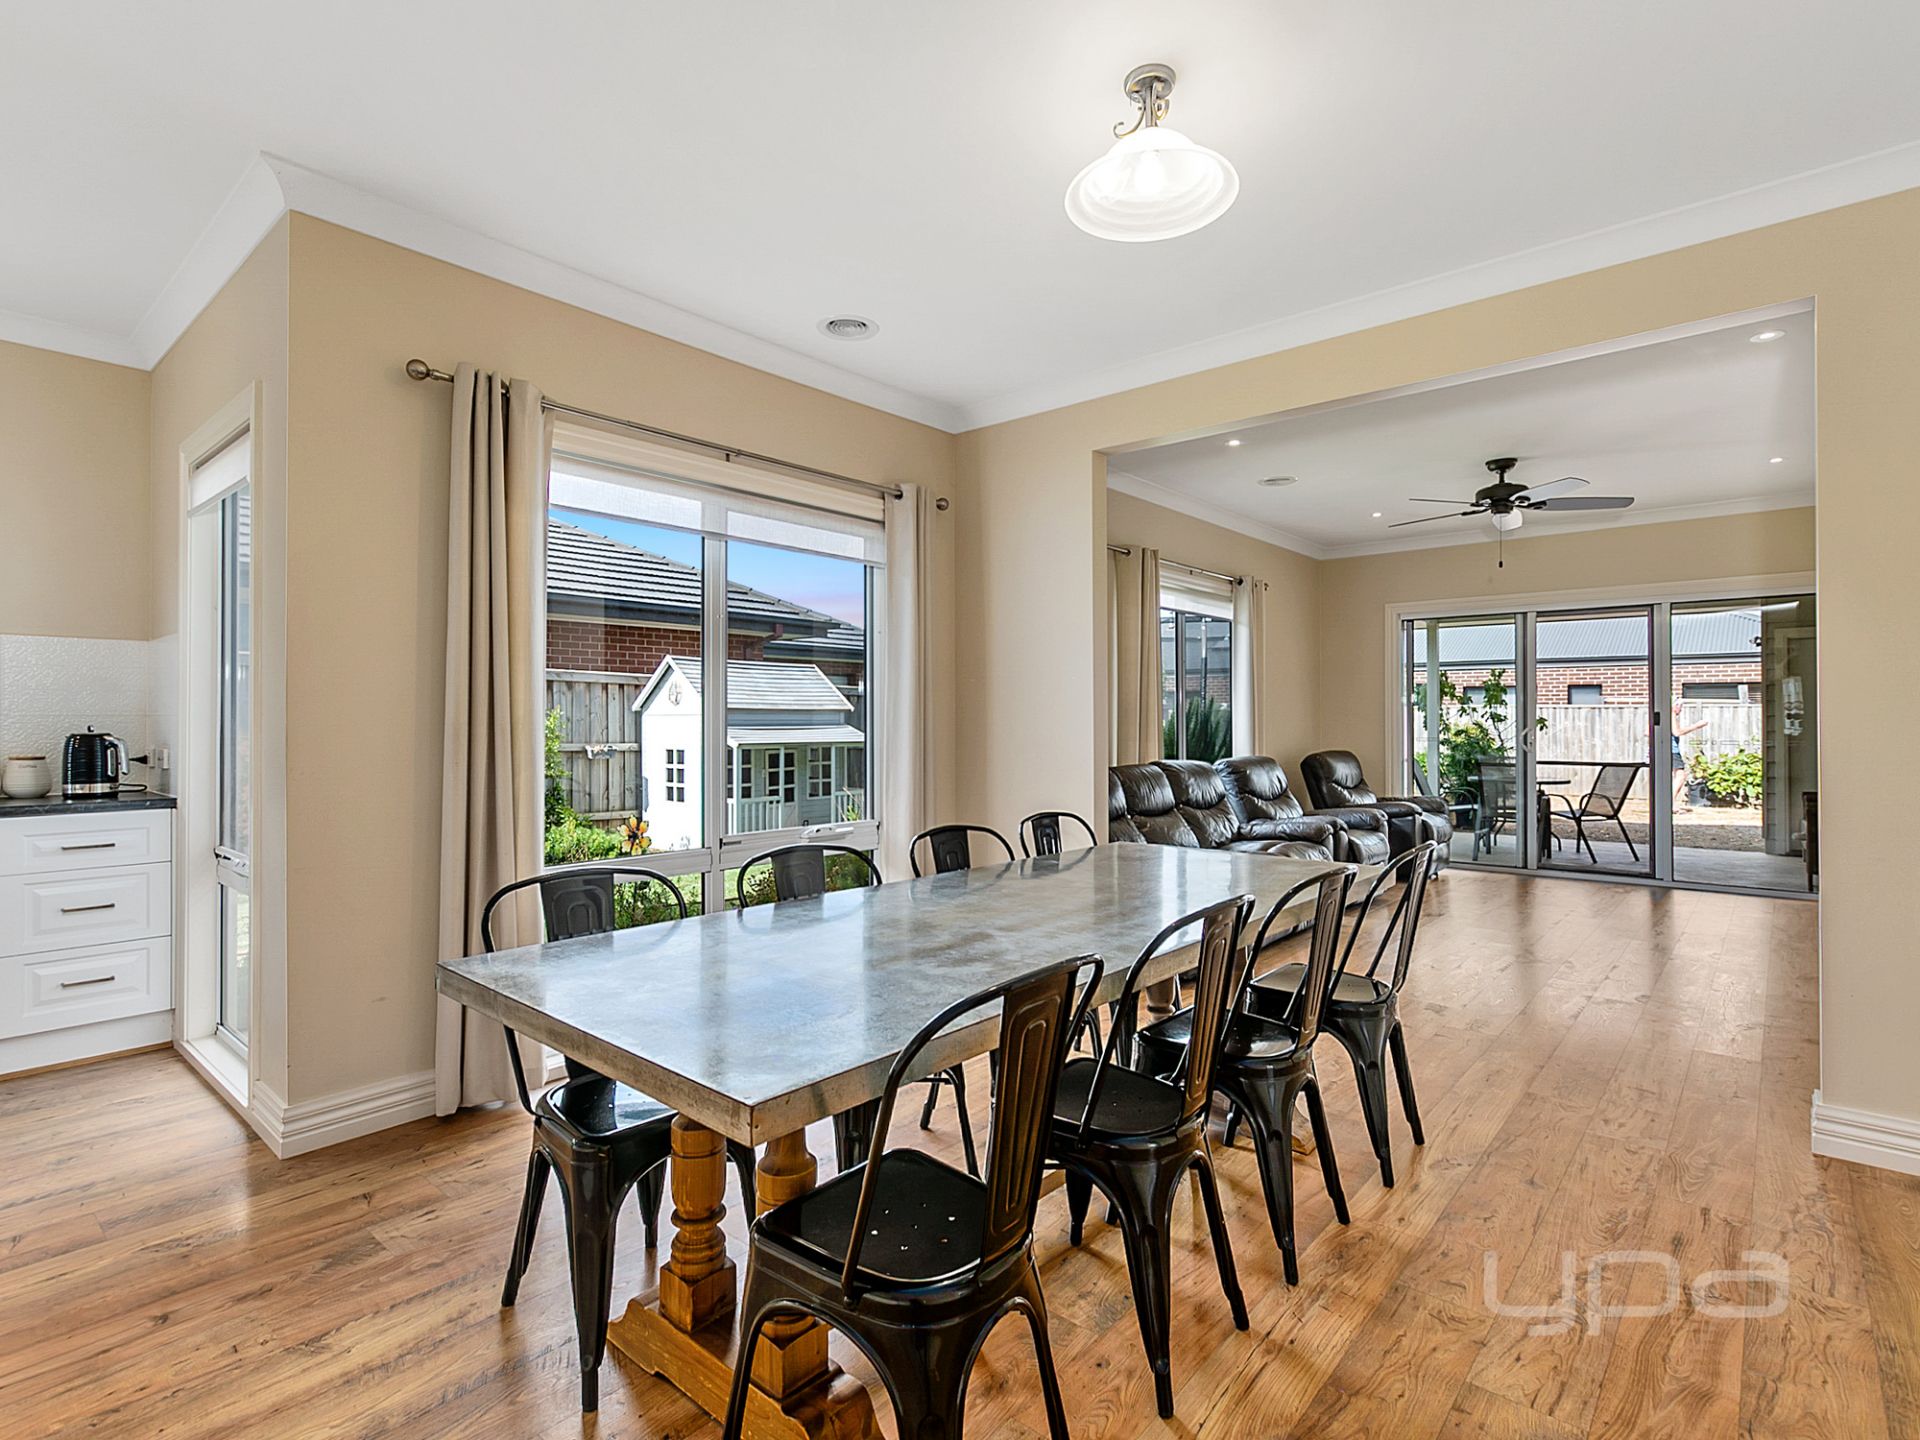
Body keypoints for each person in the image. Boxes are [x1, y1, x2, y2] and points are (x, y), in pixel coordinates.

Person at [1673, 716, 1711, 812]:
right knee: (1680, 776)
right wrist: (1696, 726)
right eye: (1679, 708)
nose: (1680, 710)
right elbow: (1677, 732)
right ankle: (1669, 803)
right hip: (1672, 750)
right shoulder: (1670, 713)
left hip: (1660, 749)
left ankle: (1666, 803)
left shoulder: (1658, 714)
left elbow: (1647, 732)